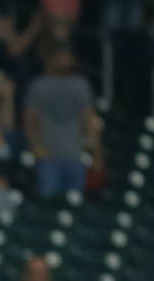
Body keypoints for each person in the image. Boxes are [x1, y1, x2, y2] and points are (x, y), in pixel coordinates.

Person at [23, 44, 94, 200]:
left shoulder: (80, 84)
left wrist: (91, 148)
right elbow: (29, 121)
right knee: (47, 204)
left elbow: (89, 119)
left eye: (67, 58)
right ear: (51, 59)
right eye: (60, 57)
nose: (64, 61)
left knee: (76, 205)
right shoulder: (39, 85)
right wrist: (37, 148)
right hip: (48, 157)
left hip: (75, 155)